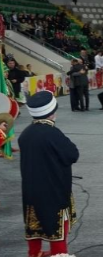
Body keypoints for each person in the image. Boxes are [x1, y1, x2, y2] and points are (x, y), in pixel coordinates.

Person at [19, 91, 79, 257]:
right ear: (53, 112)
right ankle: (58, 254)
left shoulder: (25, 134)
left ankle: (35, 254)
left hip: (31, 190)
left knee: (34, 229)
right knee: (57, 229)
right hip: (53, 190)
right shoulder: (53, 133)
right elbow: (72, 154)